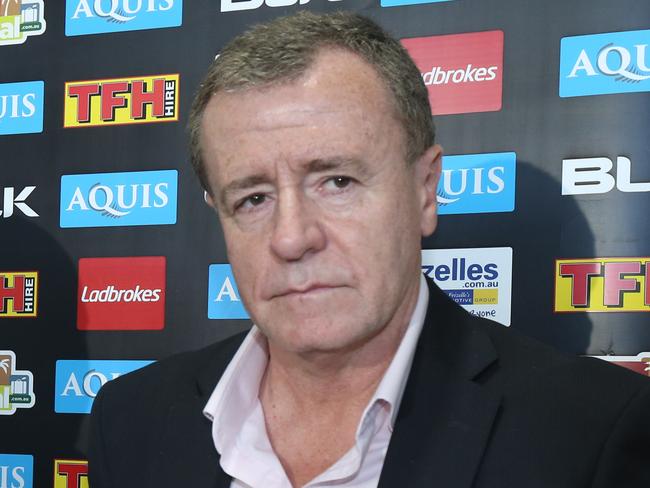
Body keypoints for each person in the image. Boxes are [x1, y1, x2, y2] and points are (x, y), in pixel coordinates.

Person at [88, 11, 650, 488]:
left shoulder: (590, 433)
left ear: (425, 190)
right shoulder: (130, 417)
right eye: (254, 198)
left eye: (337, 182)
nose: (291, 237)